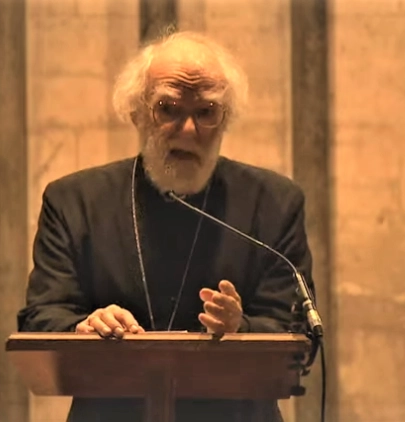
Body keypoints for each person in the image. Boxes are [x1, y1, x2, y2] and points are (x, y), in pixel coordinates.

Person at [17, 30, 315, 422]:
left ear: (226, 120)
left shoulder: (274, 203)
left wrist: (240, 326)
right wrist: (84, 326)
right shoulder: (75, 202)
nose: (188, 129)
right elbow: (41, 316)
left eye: (206, 112)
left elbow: (299, 335)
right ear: (136, 112)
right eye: (168, 108)